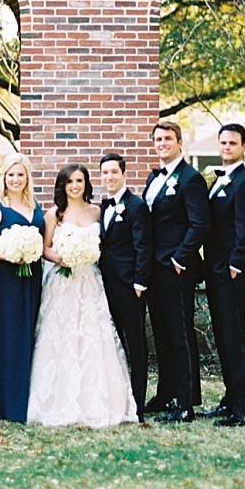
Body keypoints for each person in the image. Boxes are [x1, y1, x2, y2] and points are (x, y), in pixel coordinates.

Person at [27, 163, 138, 427]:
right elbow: (44, 249)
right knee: (61, 337)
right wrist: (61, 258)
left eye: (79, 180)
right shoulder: (54, 214)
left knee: (93, 337)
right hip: (63, 283)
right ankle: (57, 401)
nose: (75, 186)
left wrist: (86, 255)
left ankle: (98, 401)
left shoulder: (97, 212)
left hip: (90, 281)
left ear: (86, 184)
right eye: (69, 182)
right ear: (62, 186)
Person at [142, 120, 209, 422]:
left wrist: (180, 259)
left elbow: (200, 224)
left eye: (168, 138)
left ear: (180, 142)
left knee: (180, 335)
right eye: (158, 139)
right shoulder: (152, 178)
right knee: (162, 333)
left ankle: (185, 403)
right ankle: (165, 393)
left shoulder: (190, 179)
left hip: (177, 268)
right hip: (154, 269)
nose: (162, 143)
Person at [200, 125, 245, 427]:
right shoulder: (220, 180)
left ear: (244, 147)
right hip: (215, 269)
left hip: (232, 270)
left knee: (235, 337)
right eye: (222, 142)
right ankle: (230, 397)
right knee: (224, 336)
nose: (226, 147)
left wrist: (237, 263)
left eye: (232, 143)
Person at [0, 153, 45, 422]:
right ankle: (1, 401)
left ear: (27, 177)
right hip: (5, 279)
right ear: (4, 177)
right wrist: (9, 254)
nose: (15, 179)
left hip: (30, 279)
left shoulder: (35, 206)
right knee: (5, 336)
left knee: (26, 335)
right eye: (11, 174)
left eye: (20, 174)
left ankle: (24, 399)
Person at [97, 152, 154, 420]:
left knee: (136, 346)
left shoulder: (135, 206)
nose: (109, 177)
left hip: (131, 287)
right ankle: (116, 400)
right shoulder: (102, 207)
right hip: (105, 287)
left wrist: (140, 282)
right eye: (104, 173)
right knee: (112, 346)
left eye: (113, 172)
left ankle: (138, 403)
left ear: (124, 174)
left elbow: (144, 247)